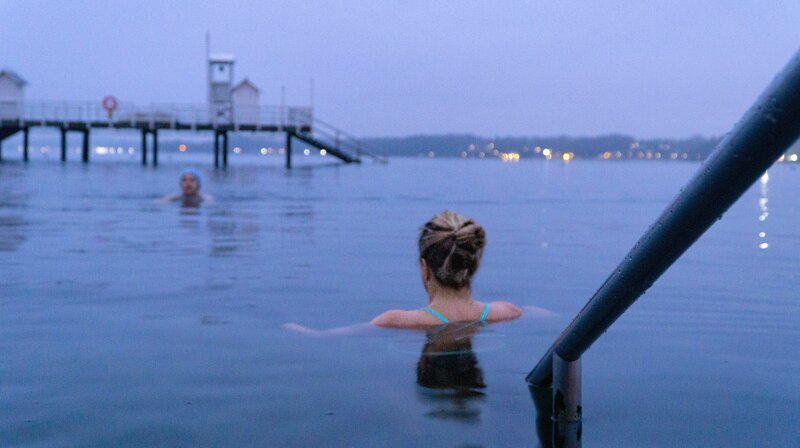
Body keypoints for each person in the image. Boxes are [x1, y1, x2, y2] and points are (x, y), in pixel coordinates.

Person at [283, 210, 525, 335]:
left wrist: (287, 327)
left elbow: (322, 337)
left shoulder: (397, 322)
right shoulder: (507, 312)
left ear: (424, 269)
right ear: (473, 265)